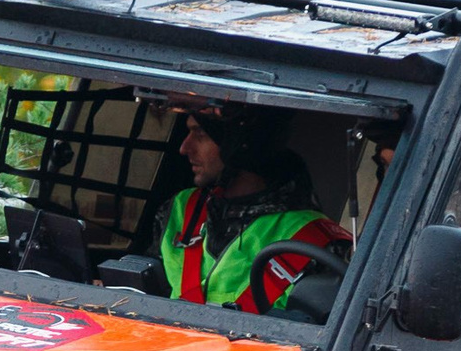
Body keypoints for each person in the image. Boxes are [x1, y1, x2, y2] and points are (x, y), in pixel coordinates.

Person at [145, 100, 349, 312]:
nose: (184, 148)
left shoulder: (319, 241)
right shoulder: (180, 208)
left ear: (237, 145)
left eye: (200, 134)